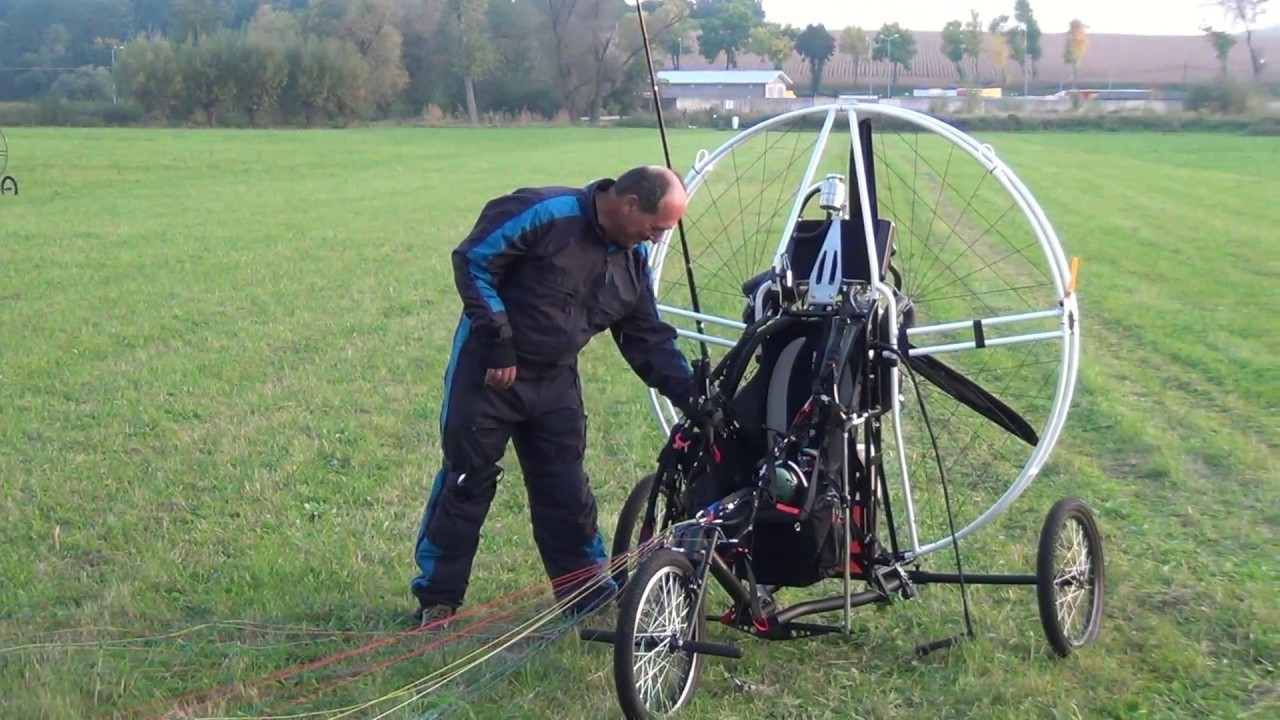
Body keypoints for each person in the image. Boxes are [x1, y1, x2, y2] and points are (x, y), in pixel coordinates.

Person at [410, 166, 697, 627]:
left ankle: (587, 596)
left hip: (555, 381)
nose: (657, 239)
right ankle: (437, 599)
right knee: (467, 483)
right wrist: (499, 339)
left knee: (565, 489)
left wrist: (692, 394)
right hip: (488, 372)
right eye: (656, 227)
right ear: (629, 205)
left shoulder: (630, 260)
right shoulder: (543, 212)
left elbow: (646, 336)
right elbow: (473, 260)